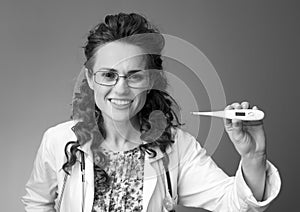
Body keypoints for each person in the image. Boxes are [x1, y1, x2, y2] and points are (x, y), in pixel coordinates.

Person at [21, 12, 281, 212]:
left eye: (134, 76)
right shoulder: (57, 141)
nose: (121, 89)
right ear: (90, 78)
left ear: (150, 81)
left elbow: (234, 204)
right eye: (108, 75)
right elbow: (37, 203)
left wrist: (254, 156)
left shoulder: (177, 147)